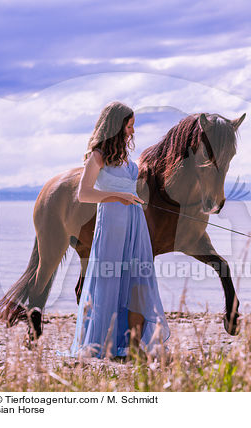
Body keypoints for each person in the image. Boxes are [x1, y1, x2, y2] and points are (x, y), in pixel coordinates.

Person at [67, 101, 170, 360]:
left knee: (138, 281)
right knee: (109, 281)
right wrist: (118, 196)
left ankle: (134, 345)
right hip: (111, 225)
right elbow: (84, 194)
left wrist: (134, 199)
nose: (132, 131)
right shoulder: (97, 155)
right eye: (129, 125)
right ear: (117, 125)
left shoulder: (126, 159)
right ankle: (105, 344)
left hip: (135, 223)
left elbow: (131, 190)